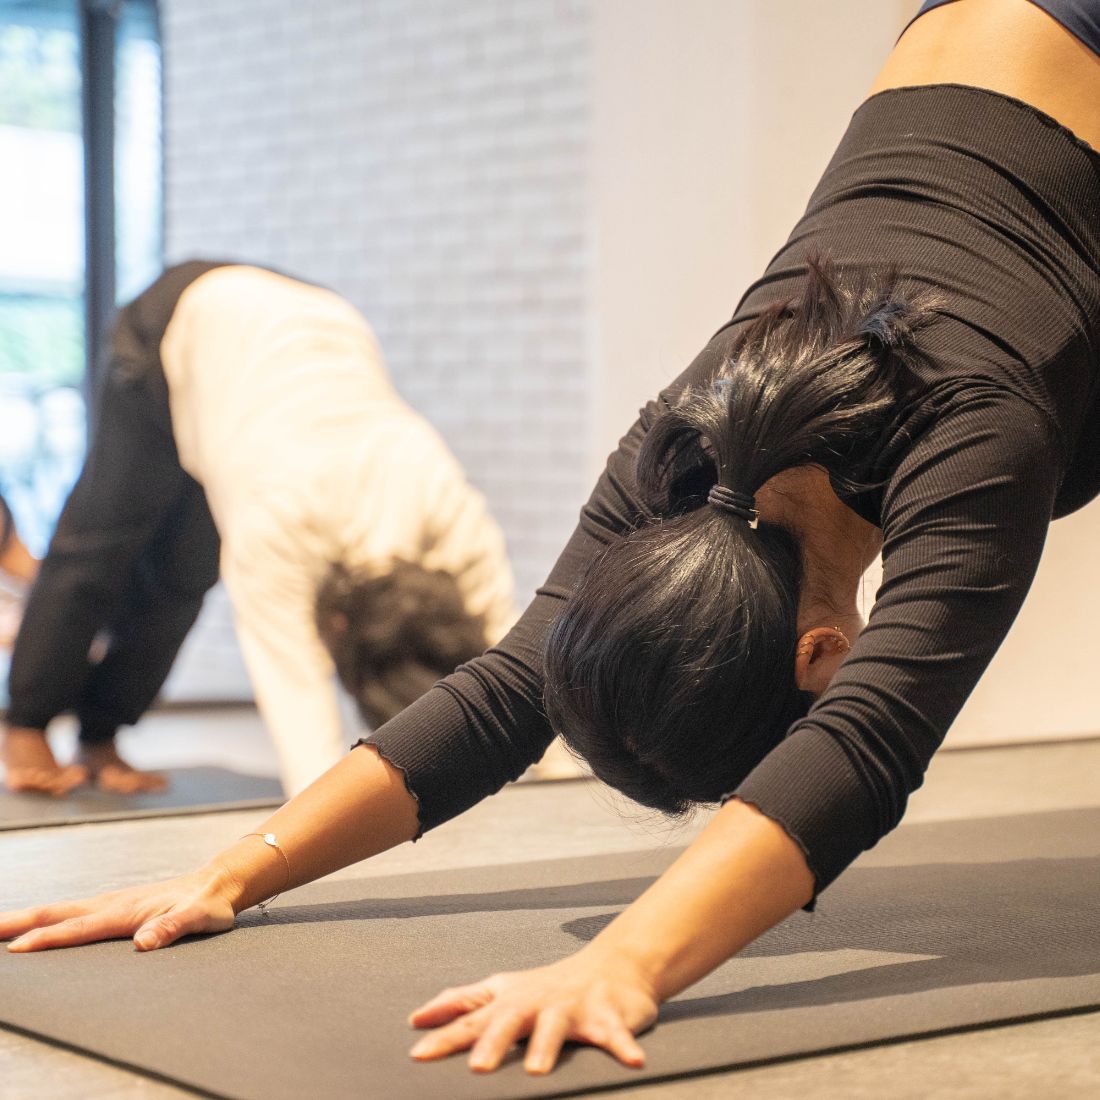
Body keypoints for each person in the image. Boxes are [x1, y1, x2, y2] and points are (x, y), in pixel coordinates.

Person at [2, 0, 1099, 1079]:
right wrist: (231, 872)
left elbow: (861, 745)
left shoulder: (963, 429)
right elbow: (510, 687)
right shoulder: (694, 431)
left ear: (818, 655)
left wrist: (626, 961)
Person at [0, 263, 516, 797]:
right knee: (99, 545)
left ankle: (99, 735)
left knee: (182, 577)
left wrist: (547, 768)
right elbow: (296, 693)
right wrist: (331, 816)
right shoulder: (277, 525)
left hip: (310, 328)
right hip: (182, 321)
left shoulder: (449, 504)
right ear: (334, 628)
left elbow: (505, 643)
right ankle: (27, 725)